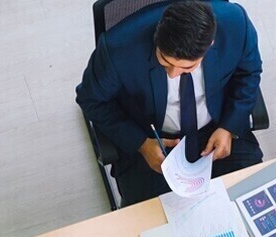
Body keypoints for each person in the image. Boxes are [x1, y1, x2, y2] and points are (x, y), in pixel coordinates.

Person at [76, 0, 263, 206]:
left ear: (210, 45)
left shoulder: (236, 23)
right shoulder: (116, 50)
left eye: (187, 67)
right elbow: (90, 100)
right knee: (149, 221)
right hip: (151, 139)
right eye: (165, 62)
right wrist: (140, 143)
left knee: (255, 202)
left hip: (218, 127)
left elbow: (249, 74)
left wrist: (229, 127)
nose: (174, 75)